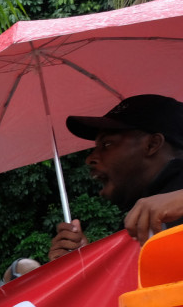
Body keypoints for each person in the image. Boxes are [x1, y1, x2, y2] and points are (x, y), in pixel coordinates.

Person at [50, 94, 183, 260]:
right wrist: (86, 263)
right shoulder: (139, 214)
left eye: (107, 144)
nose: (90, 158)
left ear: (152, 144)